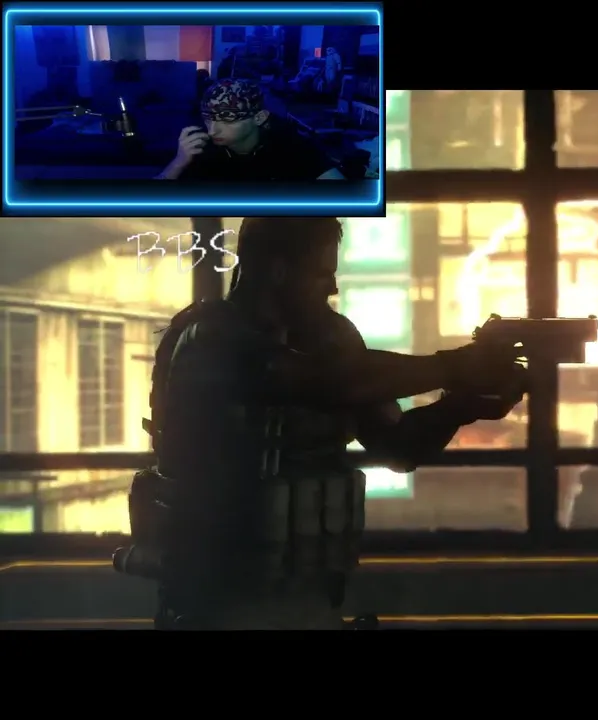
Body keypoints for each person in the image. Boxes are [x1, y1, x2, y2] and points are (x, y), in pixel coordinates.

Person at [122, 217, 527, 630]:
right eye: (321, 274)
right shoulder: (210, 338)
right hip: (217, 605)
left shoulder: (329, 340)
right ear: (278, 270)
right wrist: (455, 367)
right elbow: (321, 382)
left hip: (310, 598)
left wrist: (461, 406)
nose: (332, 288)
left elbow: (398, 447)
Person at [157, 79, 345, 181]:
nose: (213, 131)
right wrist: (178, 162)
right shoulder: (201, 146)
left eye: (228, 120)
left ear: (259, 118)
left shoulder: (289, 144)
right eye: (208, 119)